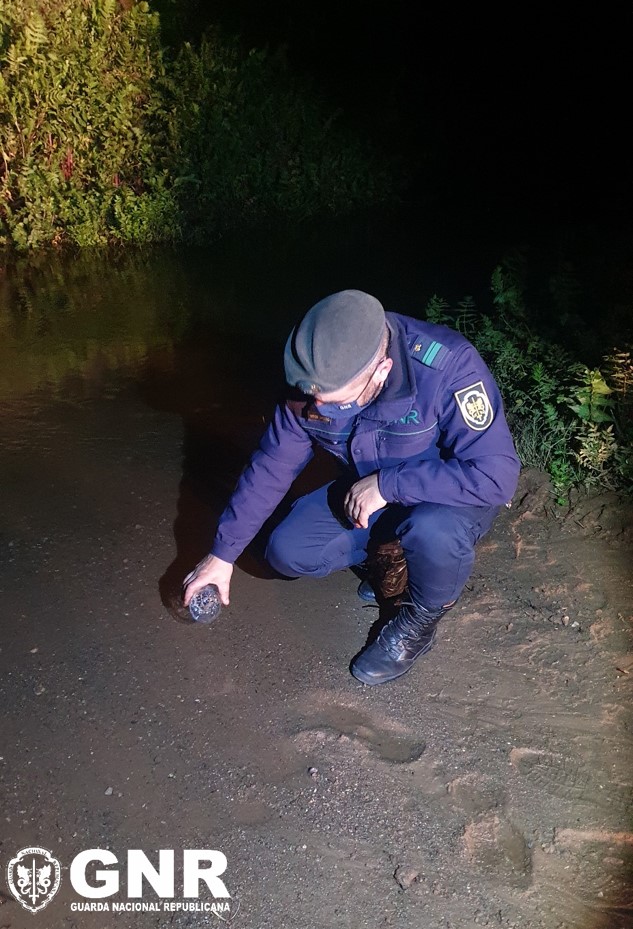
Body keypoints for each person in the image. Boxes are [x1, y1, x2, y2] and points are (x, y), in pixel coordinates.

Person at [183, 290, 521, 685]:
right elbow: (271, 466)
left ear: (381, 370)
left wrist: (388, 484)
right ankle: (388, 558)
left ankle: (420, 618)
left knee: (433, 530)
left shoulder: (447, 365)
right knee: (287, 550)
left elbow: (497, 477)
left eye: (333, 403)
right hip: (370, 489)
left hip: (448, 495)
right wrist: (222, 554)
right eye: (313, 398)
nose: (317, 409)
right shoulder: (315, 380)